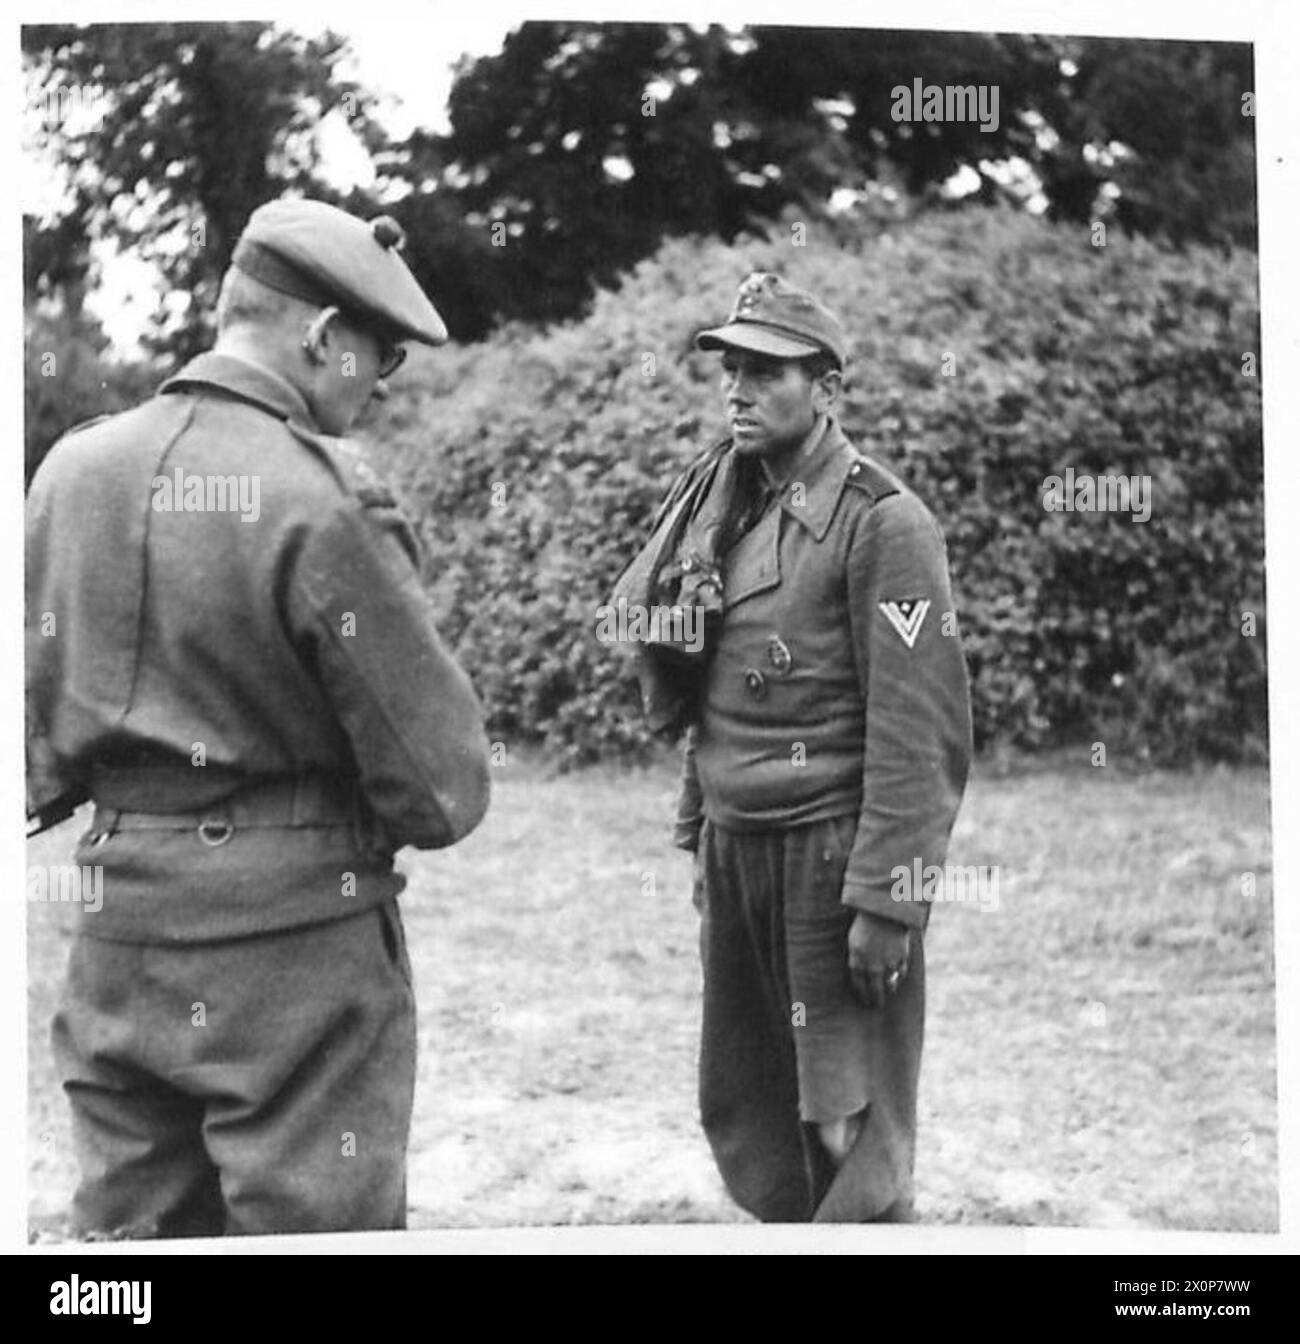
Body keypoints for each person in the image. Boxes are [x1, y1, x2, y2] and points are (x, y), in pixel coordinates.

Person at [25, 198, 491, 1238]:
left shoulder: (68, 473)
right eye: (382, 357)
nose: (380, 386)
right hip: (295, 955)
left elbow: (38, 733)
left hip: (117, 935)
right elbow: (442, 788)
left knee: (131, 1251)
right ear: (323, 338)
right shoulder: (319, 497)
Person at [615, 272, 973, 1222]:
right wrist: (700, 831)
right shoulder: (721, 506)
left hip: (828, 853)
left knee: (842, 1119)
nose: (738, 388)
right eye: (731, 367)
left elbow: (920, 724)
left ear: (827, 389)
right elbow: (711, 694)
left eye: (767, 371)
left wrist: (890, 902)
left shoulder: (884, 523)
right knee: (755, 1105)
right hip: (740, 849)